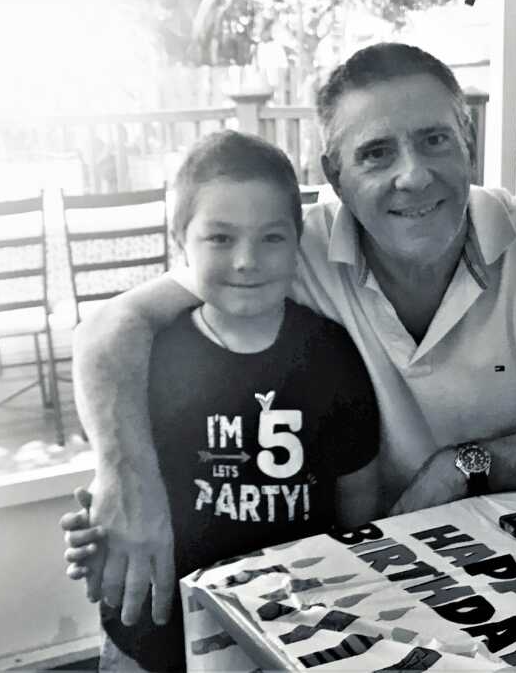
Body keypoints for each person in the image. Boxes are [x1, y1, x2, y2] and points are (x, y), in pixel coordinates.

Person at [61, 42, 516, 637]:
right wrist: (126, 481)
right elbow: (110, 329)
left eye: (434, 140)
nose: (413, 176)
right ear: (335, 176)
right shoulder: (282, 251)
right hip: (356, 580)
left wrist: (462, 466)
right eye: (376, 153)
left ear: (469, 143)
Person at [76, 129, 380, 671]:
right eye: (220, 238)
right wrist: (100, 531)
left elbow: (359, 508)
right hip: (150, 638)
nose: (246, 261)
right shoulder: (147, 356)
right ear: (180, 239)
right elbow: (121, 483)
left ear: (298, 240)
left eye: (271, 238)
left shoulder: (332, 355)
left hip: (288, 638)